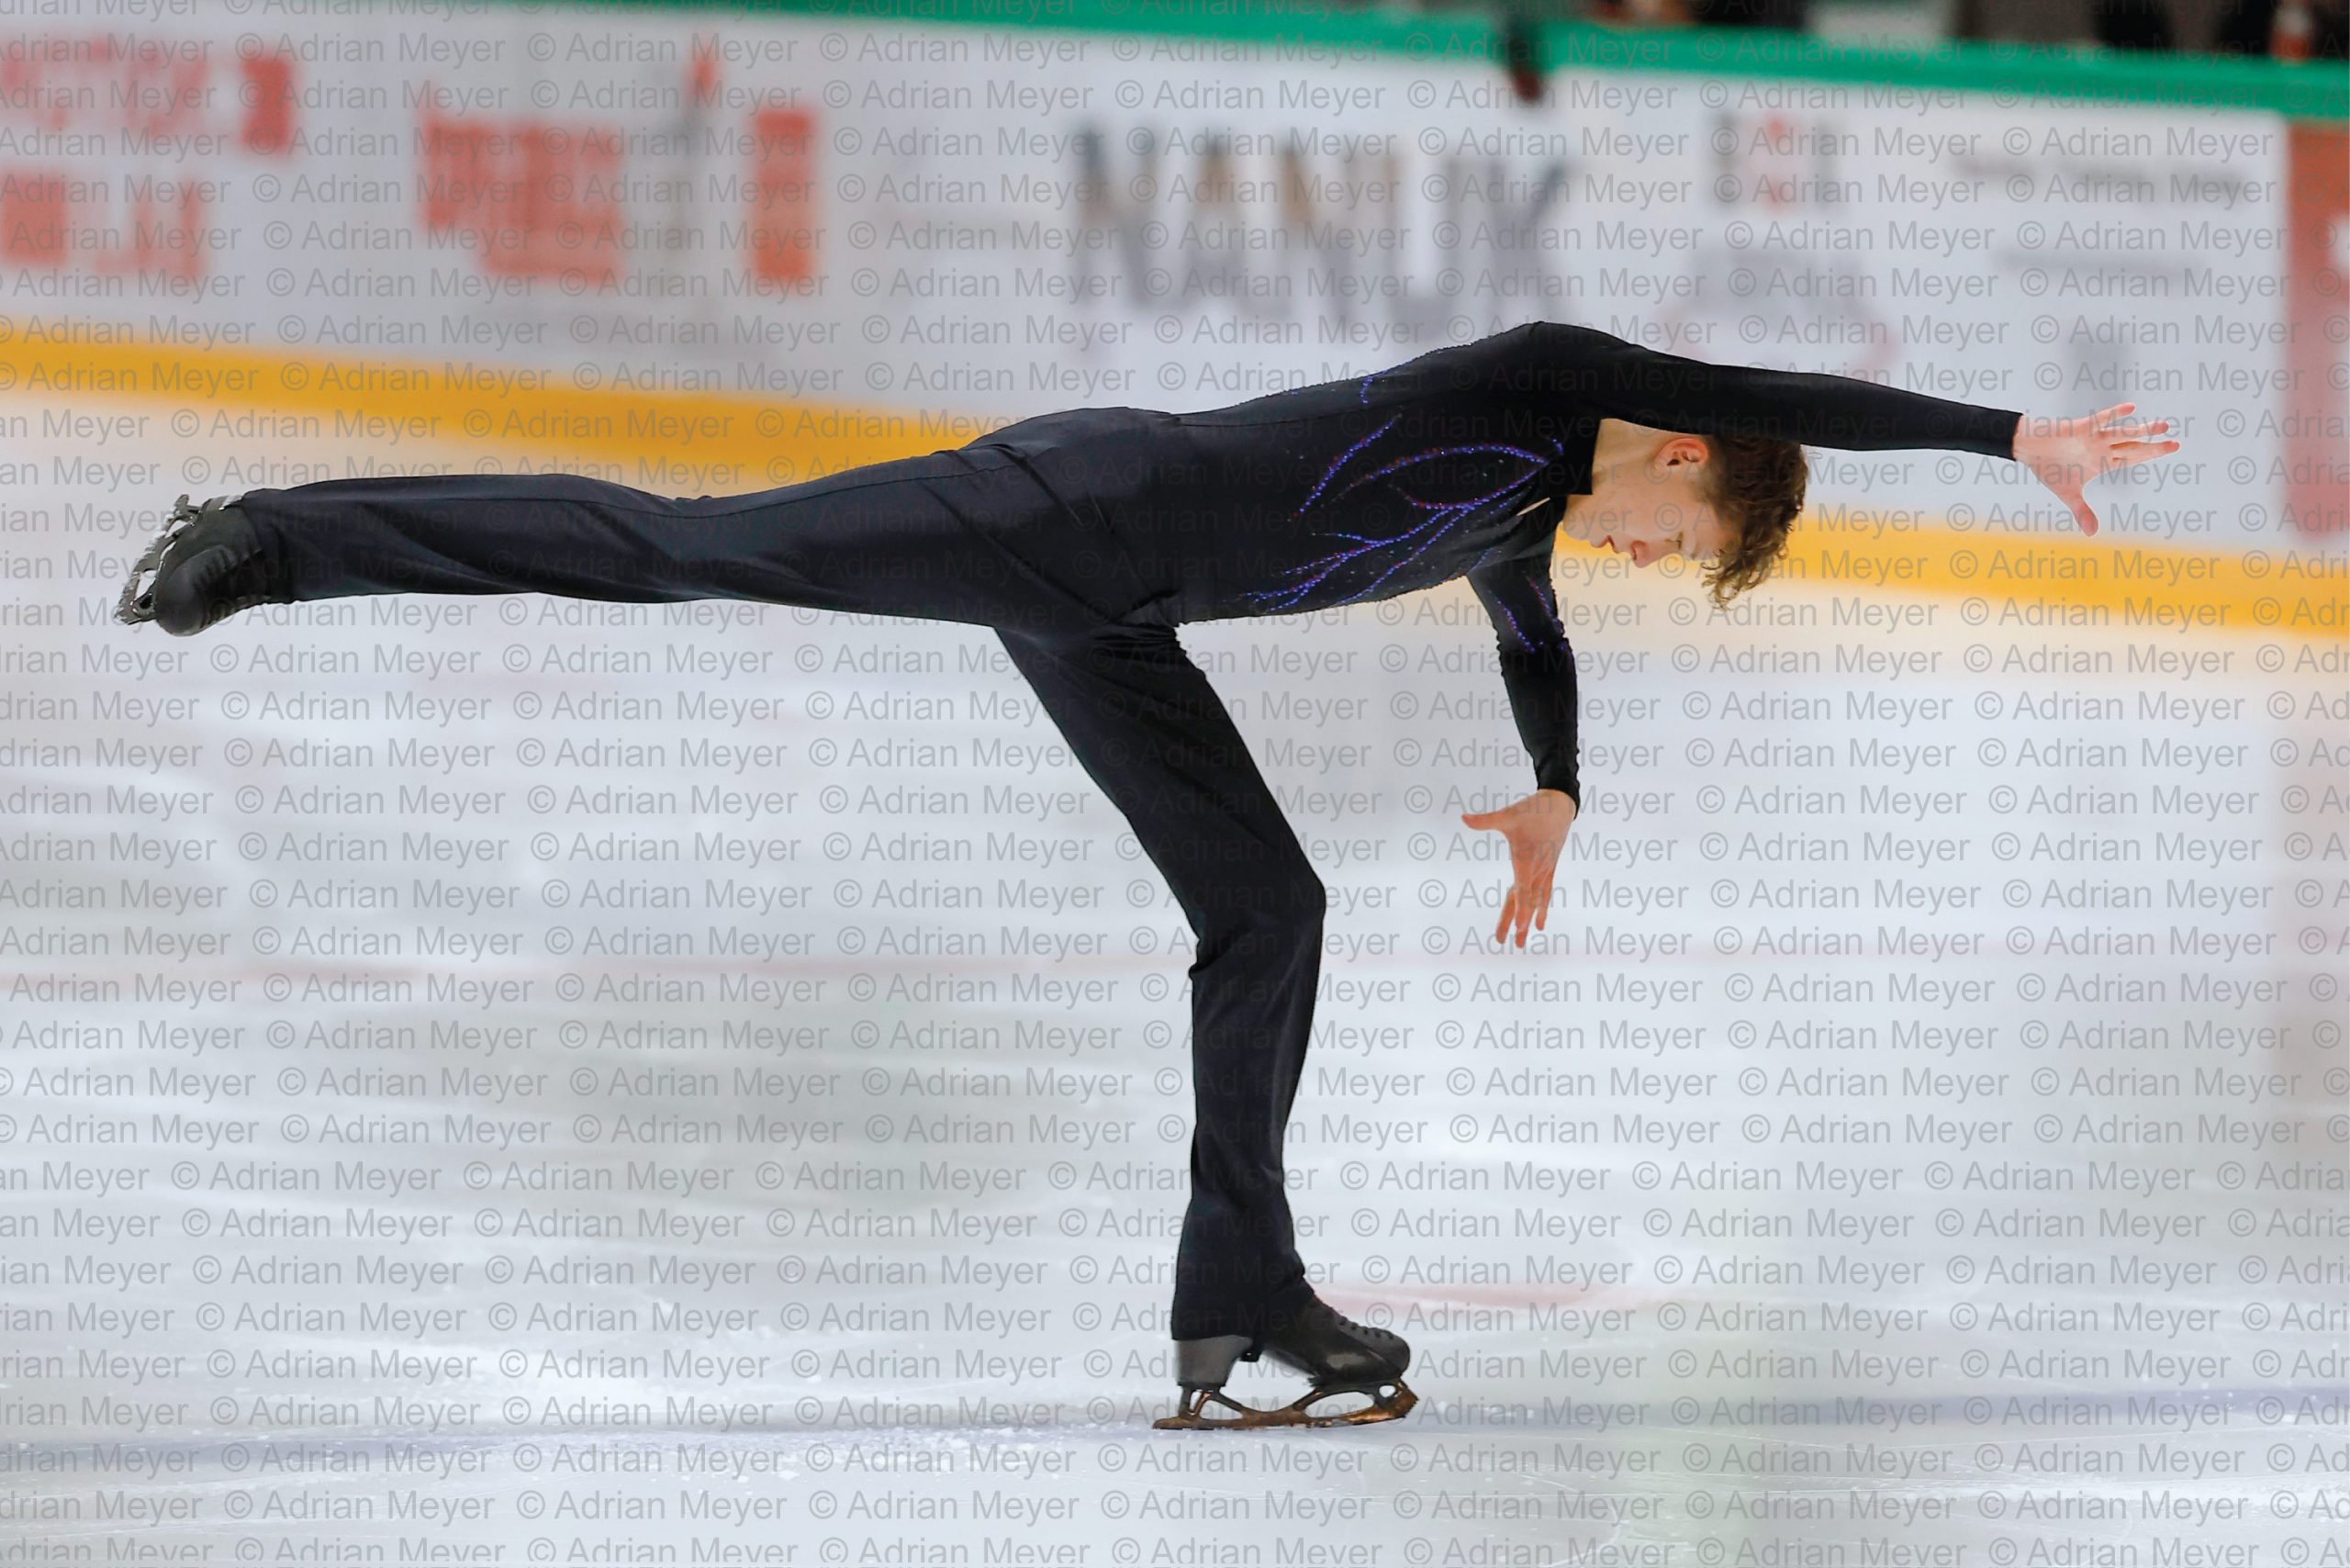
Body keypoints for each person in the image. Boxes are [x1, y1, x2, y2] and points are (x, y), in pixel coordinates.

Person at [117, 320, 2176, 1428]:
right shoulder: (1538, 388)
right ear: (1677, 453)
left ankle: (1235, 1287)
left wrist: (1551, 789)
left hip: (1110, 604)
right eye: (1678, 530)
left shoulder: (1513, 513)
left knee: (1270, 907)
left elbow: (1529, 634)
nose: (1646, 557)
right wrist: (2008, 435)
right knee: (687, 545)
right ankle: (274, 531)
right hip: (1064, 504)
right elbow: (1784, 391)